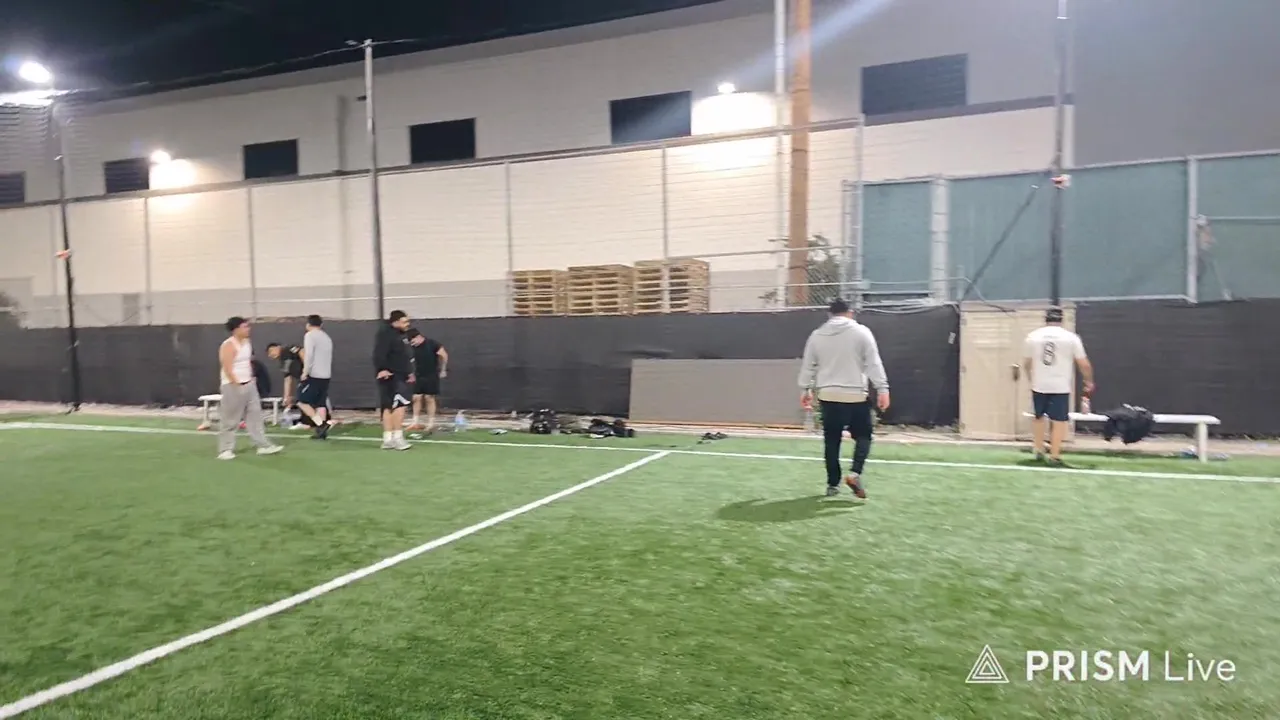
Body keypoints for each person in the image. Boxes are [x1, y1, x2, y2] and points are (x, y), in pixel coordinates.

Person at [798, 298, 890, 499]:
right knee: (864, 435)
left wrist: (806, 389)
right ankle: (855, 473)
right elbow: (873, 363)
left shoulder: (817, 335)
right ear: (850, 312)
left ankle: (833, 484)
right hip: (856, 394)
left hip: (828, 395)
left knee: (831, 440)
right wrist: (882, 388)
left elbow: (809, 365)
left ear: (829, 314)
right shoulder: (861, 332)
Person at [1023, 307, 1095, 464]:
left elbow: (1027, 363)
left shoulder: (1033, 336)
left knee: (1038, 417)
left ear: (1046, 319)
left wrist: (1031, 378)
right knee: (1059, 420)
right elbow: (1083, 363)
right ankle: (1054, 455)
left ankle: (1038, 449)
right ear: (1061, 320)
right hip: (1060, 385)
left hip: (1039, 384)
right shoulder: (1071, 338)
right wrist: (1088, 381)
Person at [217, 317, 283, 460]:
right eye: (245, 327)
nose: (248, 329)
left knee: (255, 416)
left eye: (248, 326)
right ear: (236, 329)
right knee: (230, 419)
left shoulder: (247, 342)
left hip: (249, 385)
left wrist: (251, 379)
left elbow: (247, 363)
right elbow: (227, 368)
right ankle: (225, 450)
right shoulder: (228, 345)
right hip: (232, 386)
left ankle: (263, 446)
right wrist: (237, 384)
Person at [373, 310, 415, 451]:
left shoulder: (400, 335)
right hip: (392, 376)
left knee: (389, 406)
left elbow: (403, 356)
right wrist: (382, 369)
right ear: (395, 322)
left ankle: (388, 439)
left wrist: (409, 372)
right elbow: (379, 353)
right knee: (398, 406)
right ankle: (397, 438)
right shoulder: (386, 334)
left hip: (399, 375)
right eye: (404, 322)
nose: (407, 324)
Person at [297, 314, 334, 440]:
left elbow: (309, 355)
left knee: (301, 400)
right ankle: (321, 432)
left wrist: (305, 372)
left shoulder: (310, 336)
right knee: (320, 403)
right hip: (326, 374)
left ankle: (320, 424)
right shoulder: (326, 337)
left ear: (308, 324)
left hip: (314, 374)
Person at [407, 327, 448, 432]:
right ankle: (415, 422)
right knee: (416, 397)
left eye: (413, 341)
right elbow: (410, 361)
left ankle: (431, 423)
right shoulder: (413, 348)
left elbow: (444, 355)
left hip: (431, 374)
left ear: (418, 337)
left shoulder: (432, 344)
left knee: (429, 397)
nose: (413, 344)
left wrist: (443, 369)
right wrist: (411, 373)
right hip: (418, 374)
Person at [266, 342, 303, 411]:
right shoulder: (283, 362)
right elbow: (287, 379)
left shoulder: (289, 349)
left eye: (271, 351)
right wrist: (286, 397)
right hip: (302, 380)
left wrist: (307, 370)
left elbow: (302, 351)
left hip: (311, 376)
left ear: (278, 347)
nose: (270, 354)